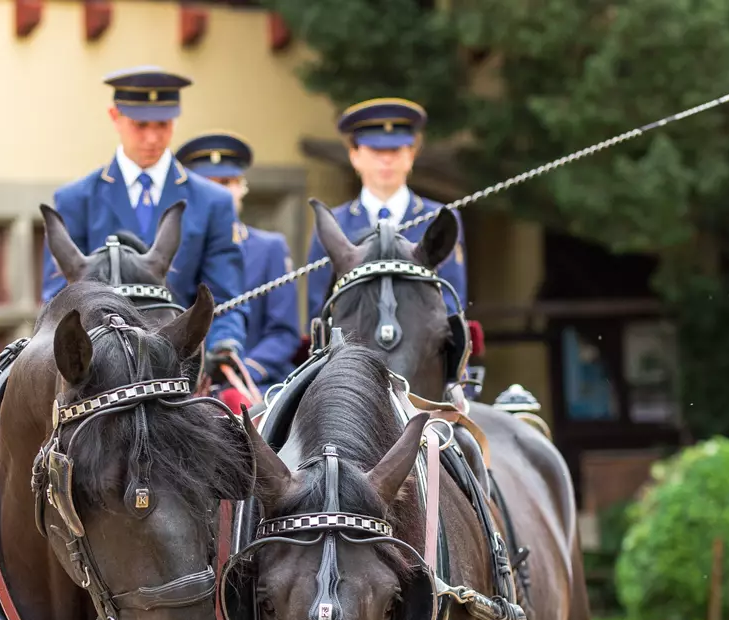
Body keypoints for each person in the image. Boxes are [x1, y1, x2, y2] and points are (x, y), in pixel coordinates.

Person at [40, 66, 246, 362]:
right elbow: (58, 301)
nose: (152, 138)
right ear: (115, 117)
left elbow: (225, 295)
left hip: (183, 365)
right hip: (101, 371)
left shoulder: (214, 202)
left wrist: (224, 344)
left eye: (162, 125)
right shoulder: (76, 200)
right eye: (140, 125)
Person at [305, 97, 468, 321]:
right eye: (375, 150)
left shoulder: (438, 219)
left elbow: (452, 305)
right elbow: (319, 312)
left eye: (395, 150)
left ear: (412, 154)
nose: (386, 161)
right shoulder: (334, 224)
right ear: (354, 156)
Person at [174, 132, 300, 395]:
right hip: (184, 388)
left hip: (254, 386)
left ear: (243, 187)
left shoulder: (270, 248)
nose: (220, 192)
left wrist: (244, 371)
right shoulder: (175, 253)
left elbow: (283, 332)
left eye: (228, 182)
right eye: (209, 184)